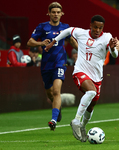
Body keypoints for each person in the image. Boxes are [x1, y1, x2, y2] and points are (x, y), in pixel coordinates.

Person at [45, 15, 118, 142]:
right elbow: (67, 31)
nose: (97, 30)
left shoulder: (107, 37)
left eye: (100, 28)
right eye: (95, 27)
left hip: (97, 76)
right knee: (91, 91)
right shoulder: (81, 33)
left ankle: (83, 127)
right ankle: (76, 121)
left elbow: (115, 55)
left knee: (91, 106)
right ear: (90, 25)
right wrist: (53, 41)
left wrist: (112, 48)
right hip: (80, 71)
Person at [27, 2, 78, 131]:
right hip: (46, 65)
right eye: (53, 12)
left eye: (58, 12)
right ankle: (58, 108)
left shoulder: (66, 28)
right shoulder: (42, 27)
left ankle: (53, 120)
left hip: (60, 63)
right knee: (50, 94)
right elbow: (29, 42)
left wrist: (83, 52)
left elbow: (72, 41)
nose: (55, 14)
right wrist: (40, 42)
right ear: (49, 13)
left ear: (62, 14)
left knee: (56, 91)